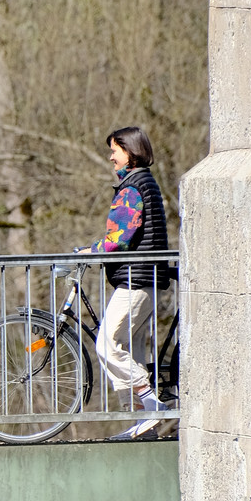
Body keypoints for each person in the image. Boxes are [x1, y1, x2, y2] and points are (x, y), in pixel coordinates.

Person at [79, 126, 171, 441]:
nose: (111, 157)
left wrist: (87, 252)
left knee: (106, 344)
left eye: (114, 150)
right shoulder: (143, 182)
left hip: (137, 278)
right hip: (147, 277)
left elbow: (119, 237)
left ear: (129, 152)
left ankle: (150, 404)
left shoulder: (133, 187)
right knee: (129, 348)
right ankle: (142, 423)